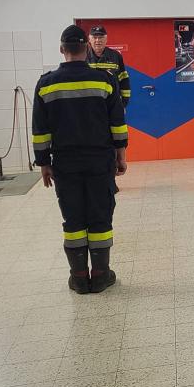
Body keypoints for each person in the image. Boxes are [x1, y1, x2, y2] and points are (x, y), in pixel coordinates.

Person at [33, 25, 127, 295]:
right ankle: (100, 275)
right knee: (100, 215)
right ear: (86, 48)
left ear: (62, 50)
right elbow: (117, 123)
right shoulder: (104, 80)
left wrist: (44, 163)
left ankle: (79, 277)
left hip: (65, 163)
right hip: (100, 161)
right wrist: (120, 156)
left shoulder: (46, 84)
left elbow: (40, 130)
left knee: (73, 218)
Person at [87, 25, 131, 108]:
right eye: (95, 37)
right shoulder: (83, 56)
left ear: (106, 39)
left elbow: (124, 80)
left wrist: (123, 104)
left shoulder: (115, 56)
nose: (98, 40)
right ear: (89, 39)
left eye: (101, 37)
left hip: (112, 105)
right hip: (90, 106)